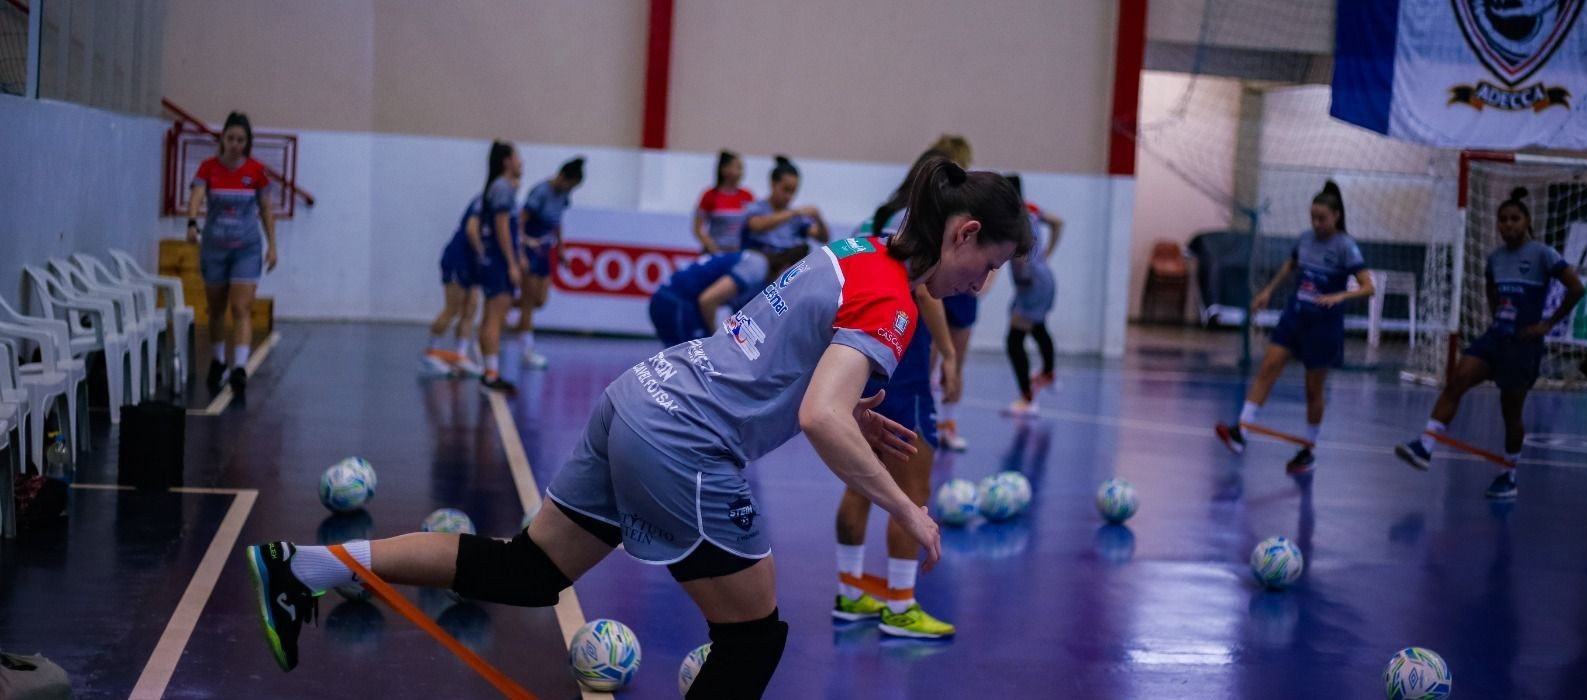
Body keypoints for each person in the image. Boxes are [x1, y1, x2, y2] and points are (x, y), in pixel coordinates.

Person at [243, 158, 1030, 698]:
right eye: (988, 263)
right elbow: (818, 416)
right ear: (962, 235)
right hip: (683, 441)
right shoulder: (893, 302)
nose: (983, 284)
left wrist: (847, 410)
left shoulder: (862, 248)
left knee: (527, 571)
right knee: (753, 639)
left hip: (639, 397)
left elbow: (798, 370)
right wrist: (903, 504)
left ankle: (303, 566)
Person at [833, 165, 960, 640]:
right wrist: (948, 352)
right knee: (913, 488)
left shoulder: (881, 218)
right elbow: (926, 291)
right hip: (903, 361)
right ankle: (900, 606)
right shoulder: (926, 230)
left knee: (860, 480)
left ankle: (849, 592)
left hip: (866, 353)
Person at [1395, 187, 1585, 498]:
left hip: (1523, 345)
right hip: (1495, 338)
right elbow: (1491, 289)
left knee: (1510, 413)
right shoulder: (1495, 258)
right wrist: (1496, 315)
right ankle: (1425, 445)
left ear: (1526, 221)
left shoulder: (1542, 254)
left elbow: (1576, 289)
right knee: (1457, 379)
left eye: (1514, 218)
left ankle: (1508, 476)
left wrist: (1547, 324)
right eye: (1503, 220)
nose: (1508, 225)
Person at [1216, 181, 1374, 473]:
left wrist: (1341, 294)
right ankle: (1241, 433)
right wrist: (1268, 291)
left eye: (1322, 218)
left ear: (1336, 216)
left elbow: (1368, 287)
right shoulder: (1305, 239)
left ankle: (1308, 450)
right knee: (1268, 369)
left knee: (1313, 390)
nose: (1316, 223)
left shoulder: (1345, 246)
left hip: (1323, 326)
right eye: (1313, 217)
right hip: (1295, 317)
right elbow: (1290, 266)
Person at [187, 111, 277, 399]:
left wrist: (272, 245)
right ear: (223, 139)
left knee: (241, 308)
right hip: (214, 247)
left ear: (247, 143)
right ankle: (218, 360)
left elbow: (265, 209)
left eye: (241, 140)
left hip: (246, 249)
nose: (235, 144)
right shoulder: (208, 168)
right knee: (216, 309)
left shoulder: (256, 171)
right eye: (231, 139)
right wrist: (192, 222)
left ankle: (239, 367)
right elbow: (198, 195)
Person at [923, 135, 980, 450]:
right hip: (939, 287)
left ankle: (948, 422)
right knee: (933, 359)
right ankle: (927, 422)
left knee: (956, 363)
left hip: (963, 294)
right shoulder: (934, 202)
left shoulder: (972, 200)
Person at [648, 245, 810, 347]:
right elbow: (707, 300)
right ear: (788, 267)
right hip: (677, 304)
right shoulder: (757, 267)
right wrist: (712, 337)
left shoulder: (760, 273)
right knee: (694, 363)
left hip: (669, 301)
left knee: (677, 365)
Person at [511, 157, 584, 370]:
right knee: (528, 301)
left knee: (539, 300)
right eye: (569, 185)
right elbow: (520, 222)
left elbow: (557, 222)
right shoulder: (540, 192)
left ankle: (504, 306)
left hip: (545, 250)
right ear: (562, 177)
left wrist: (561, 250)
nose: (569, 190)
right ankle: (527, 350)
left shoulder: (563, 195)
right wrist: (522, 250)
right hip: (530, 248)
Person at [1003, 175, 1063, 416]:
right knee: (1037, 327)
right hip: (1045, 276)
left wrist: (1021, 278)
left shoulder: (1011, 218)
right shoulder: (1030, 208)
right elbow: (1059, 222)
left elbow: (1019, 254)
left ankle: (1027, 399)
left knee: (1014, 339)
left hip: (1031, 282)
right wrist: (1048, 252)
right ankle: (1048, 372)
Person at [472, 140, 523, 393]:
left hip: (493, 260)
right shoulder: (502, 188)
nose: (521, 162)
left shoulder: (499, 187)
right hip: (499, 262)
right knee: (494, 316)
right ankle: (490, 375)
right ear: (507, 161)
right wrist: (512, 263)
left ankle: (489, 371)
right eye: (517, 157)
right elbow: (503, 228)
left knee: (491, 316)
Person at [420, 194, 486, 377]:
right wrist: (483, 252)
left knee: (471, 307)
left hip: (475, 263)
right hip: (459, 259)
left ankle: (460, 353)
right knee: (453, 307)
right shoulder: (484, 201)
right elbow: (472, 230)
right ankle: (431, 352)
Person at [742, 156, 828, 253]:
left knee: (803, 249)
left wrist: (819, 218)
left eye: (793, 191)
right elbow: (757, 225)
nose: (789, 196)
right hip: (763, 256)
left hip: (787, 259)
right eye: (786, 189)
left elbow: (822, 238)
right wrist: (792, 213)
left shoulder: (796, 218)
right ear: (773, 184)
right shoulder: (757, 207)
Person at [694, 150, 756, 253]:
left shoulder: (747, 196)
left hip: (738, 253)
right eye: (737, 167)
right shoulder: (710, 195)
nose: (740, 172)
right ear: (724, 169)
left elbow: (754, 224)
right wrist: (710, 245)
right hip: (715, 252)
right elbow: (698, 228)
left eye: (741, 168)